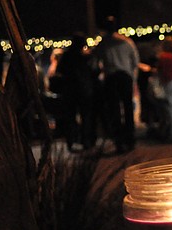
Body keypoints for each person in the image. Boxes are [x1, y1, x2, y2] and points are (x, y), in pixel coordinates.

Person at [93, 16, 140, 153]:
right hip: (125, 77)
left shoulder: (103, 43)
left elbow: (95, 60)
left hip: (112, 77)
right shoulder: (126, 42)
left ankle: (119, 141)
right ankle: (130, 139)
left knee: (115, 110)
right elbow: (135, 62)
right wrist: (133, 78)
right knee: (127, 108)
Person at [55, 33, 97, 150]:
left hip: (70, 90)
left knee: (71, 117)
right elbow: (94, 72)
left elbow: (60, 71)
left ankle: (71, 140)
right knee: (85, 117)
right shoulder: (86, 58)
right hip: (84, 90)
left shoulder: (67, 56)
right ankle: (85, 141)